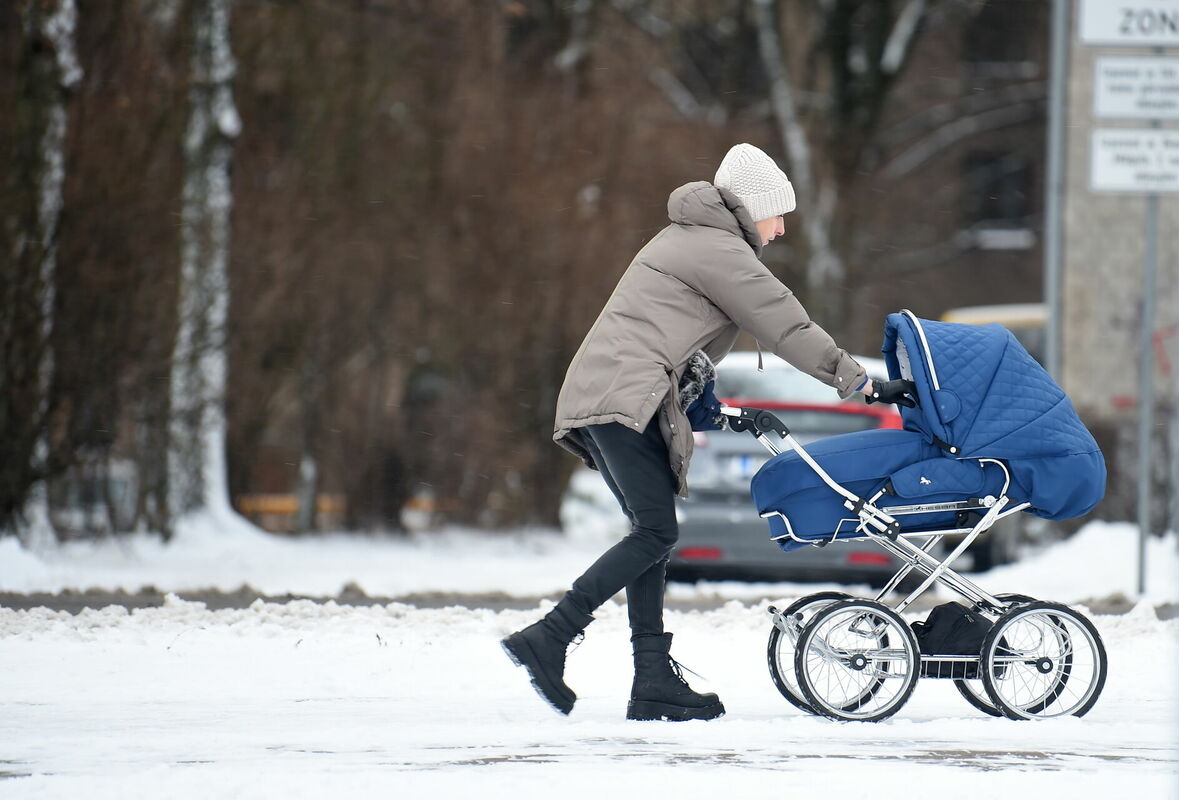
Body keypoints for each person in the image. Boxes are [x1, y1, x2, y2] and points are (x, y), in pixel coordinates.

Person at [501, 143, 916, 721]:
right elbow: (785, 323)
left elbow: (678, 349)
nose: (784, 226)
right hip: (625, 398)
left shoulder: (693, 240)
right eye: (779, 213)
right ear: (752, 208)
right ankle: (551, 635)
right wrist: (859, 382)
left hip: (611, 394)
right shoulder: (719, 249)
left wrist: (721, 412)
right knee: (655, 533)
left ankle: (651, 679)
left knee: (651, 536)